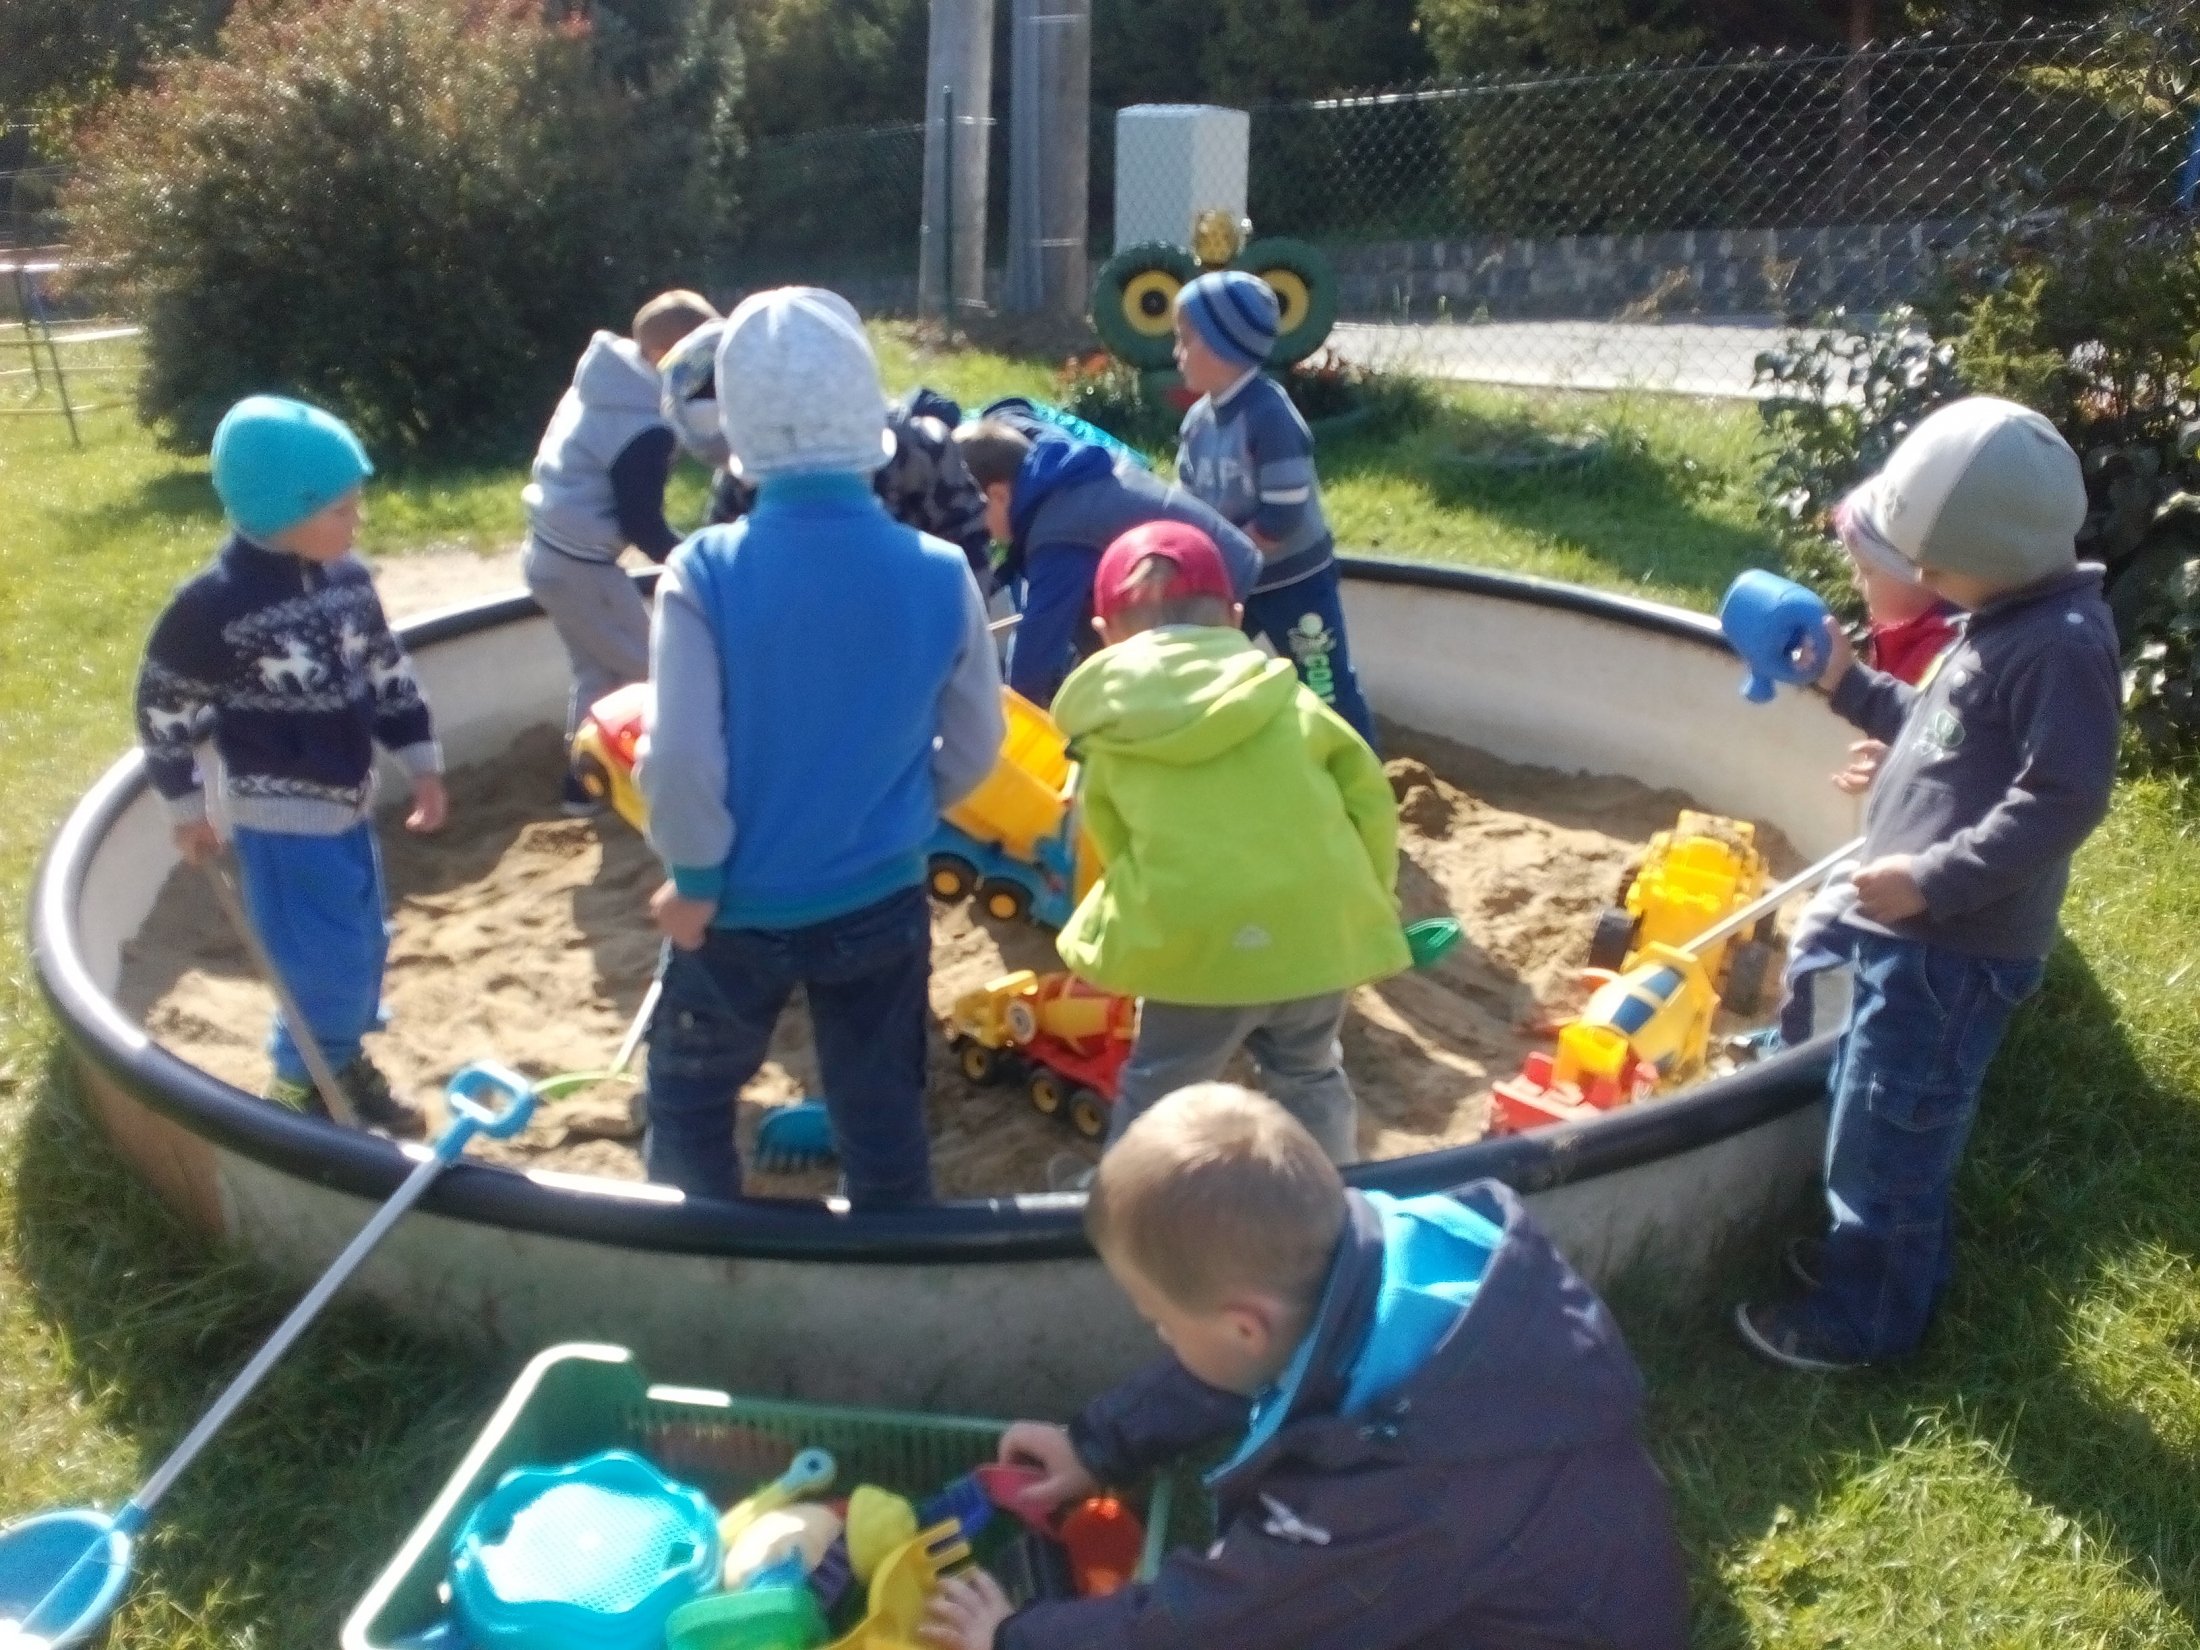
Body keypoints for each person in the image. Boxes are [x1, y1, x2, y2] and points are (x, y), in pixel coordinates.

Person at [919, 1084, 1690, 1650]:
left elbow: (1226, 1620)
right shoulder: (1377, 1263)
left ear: (1242, 1325)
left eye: (1161, 1322)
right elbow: (1250, 1364)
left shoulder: (1389, 1485)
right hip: (1520, 1581)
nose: (1160, 1336)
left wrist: (1017, 1636)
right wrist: (1098, 1445)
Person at [1735, 395, 2121, 1373]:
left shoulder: (2060, 647)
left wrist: (1934, 880)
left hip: (1954, 949)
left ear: (1995, 549)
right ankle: (1867, 1252)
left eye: (1934, 566)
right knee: (1858, 1080)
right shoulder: (2003, 616)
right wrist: (1845, 683)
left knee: (1891, 1140)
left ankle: (1864, 1318)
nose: (1924, 584)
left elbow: (2065, 797)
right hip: (1910, 921)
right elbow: (1937, 731)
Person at [637, 287, 1005, 1209]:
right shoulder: (941, 571)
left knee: (690, 1098)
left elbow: (679, 756)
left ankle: (697, 1253)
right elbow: (978, 742)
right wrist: (905, 809)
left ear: (738, 434)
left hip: (736, 905)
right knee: (882, 1107)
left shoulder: (703, 569)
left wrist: (695, 875)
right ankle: (894, 1251)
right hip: (881, 893)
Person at [1049, 522, 1411, 1166]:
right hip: (1313, 931)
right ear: (1237, 618)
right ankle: (1333, 1188)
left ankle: (1134, 1200)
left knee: (1161, 1087)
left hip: (1198, 947)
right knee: (1309, 1071)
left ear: (1104, 633)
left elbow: (1112, 848)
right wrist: (1370, 901)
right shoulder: (1295, 705)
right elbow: (1371, 805)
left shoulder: (1110, 738)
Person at [134, 395, 445, 1138]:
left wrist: (421, 762)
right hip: (282, 823)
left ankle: (339, 1062)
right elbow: (164, 705)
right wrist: (186, 808)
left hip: (350, 804)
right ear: (283, 510)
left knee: (364, 943)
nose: (357, 521)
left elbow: (387, 672)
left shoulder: (346, 583)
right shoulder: (214, 607)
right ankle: (298, 1090)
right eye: (341, 510)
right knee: (317, 962)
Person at [523, 289, 718, 812]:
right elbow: (643, 523)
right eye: (704, 360)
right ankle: (658, 788)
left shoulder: (604, 383)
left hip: (549, 552)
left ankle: (582, 788)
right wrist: (701, 564)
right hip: (582, 564)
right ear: (666, 356)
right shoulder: (643, 427)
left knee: (597, 674)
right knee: (655, 670)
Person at [1775, 521, 1963, 1045]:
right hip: (1922, 842)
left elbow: (1966, 758)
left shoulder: (1951, 649)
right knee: (1826, 926)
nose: (1858, 585)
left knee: (1822, 942)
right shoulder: (1923, 631)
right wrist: (1899, 759)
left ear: (1922, 574)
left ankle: (1803, 1058)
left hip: (1930, 864)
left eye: (1868, 572)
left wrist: (1904, 769)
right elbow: (1932, 735)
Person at [1173, 269, 1376, 746]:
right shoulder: (1198, 422)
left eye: (1185, 339)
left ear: (1223, 345)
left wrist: (1228, 556)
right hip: (1236, 579)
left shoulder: (1268, 415)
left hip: (1294, 580)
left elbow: (1284, 511)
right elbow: (1185, 498)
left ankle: (1355, 765)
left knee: (1324, 681)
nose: (1176, 353)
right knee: (1204, 670)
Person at [953, 419, 1262, 706]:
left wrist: (1013, 717)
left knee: (1204, 703)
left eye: (969, 515)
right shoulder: (1061, 478)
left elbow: (1036, 650)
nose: (974, 532)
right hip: (1215, 573)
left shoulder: (1060, 527)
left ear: (998, 495)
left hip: (1218, 592)